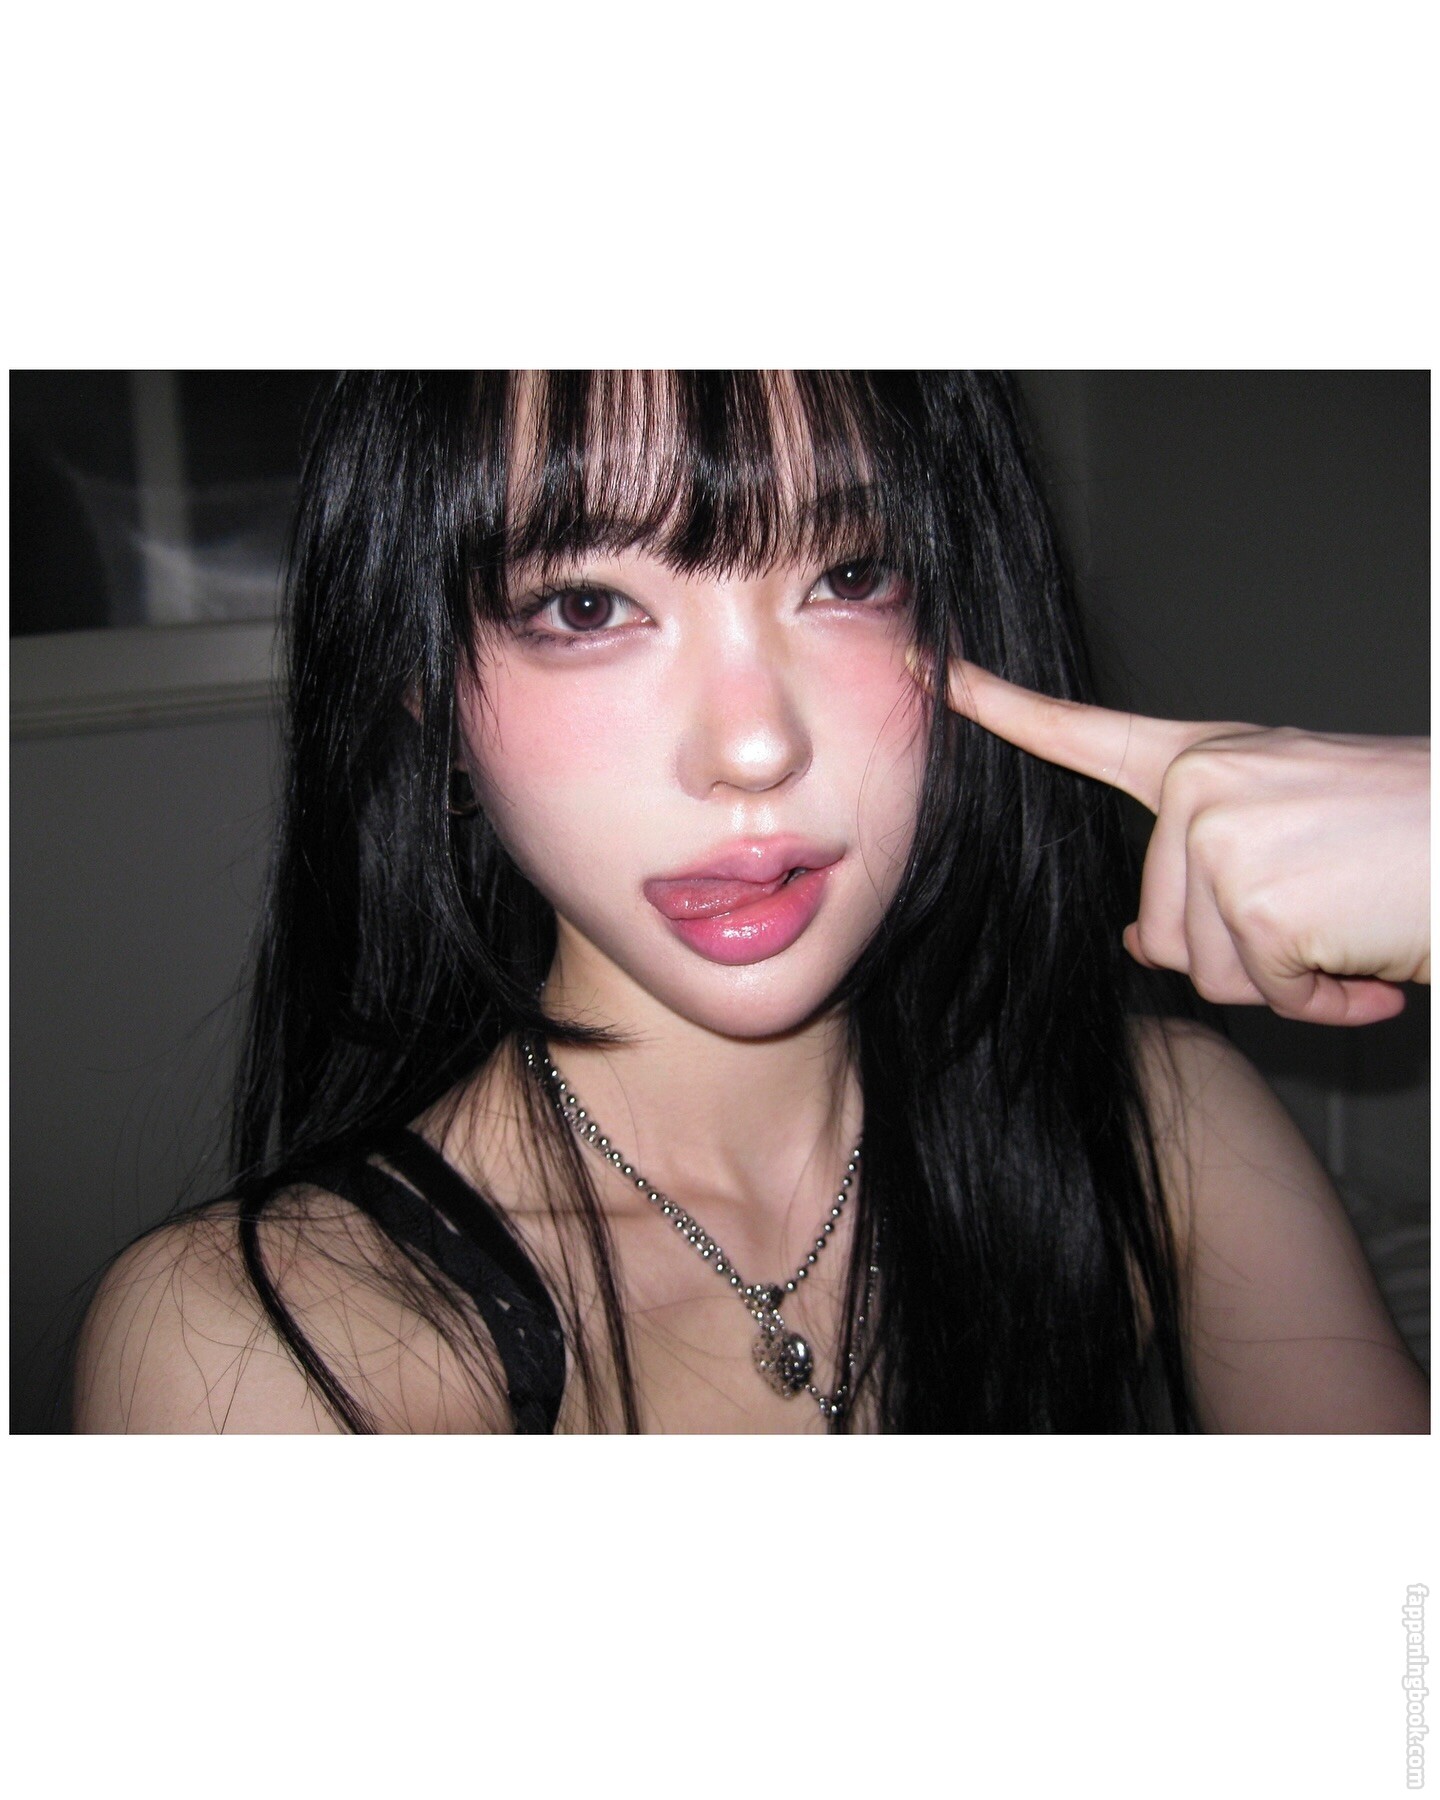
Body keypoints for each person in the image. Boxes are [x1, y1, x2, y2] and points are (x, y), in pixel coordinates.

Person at [71, 372, 1430, 1435]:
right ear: (429, 692)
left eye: (849, 576)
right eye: (586, 606)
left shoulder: (1172, 1131)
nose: (754, 747)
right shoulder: (260, 1347)